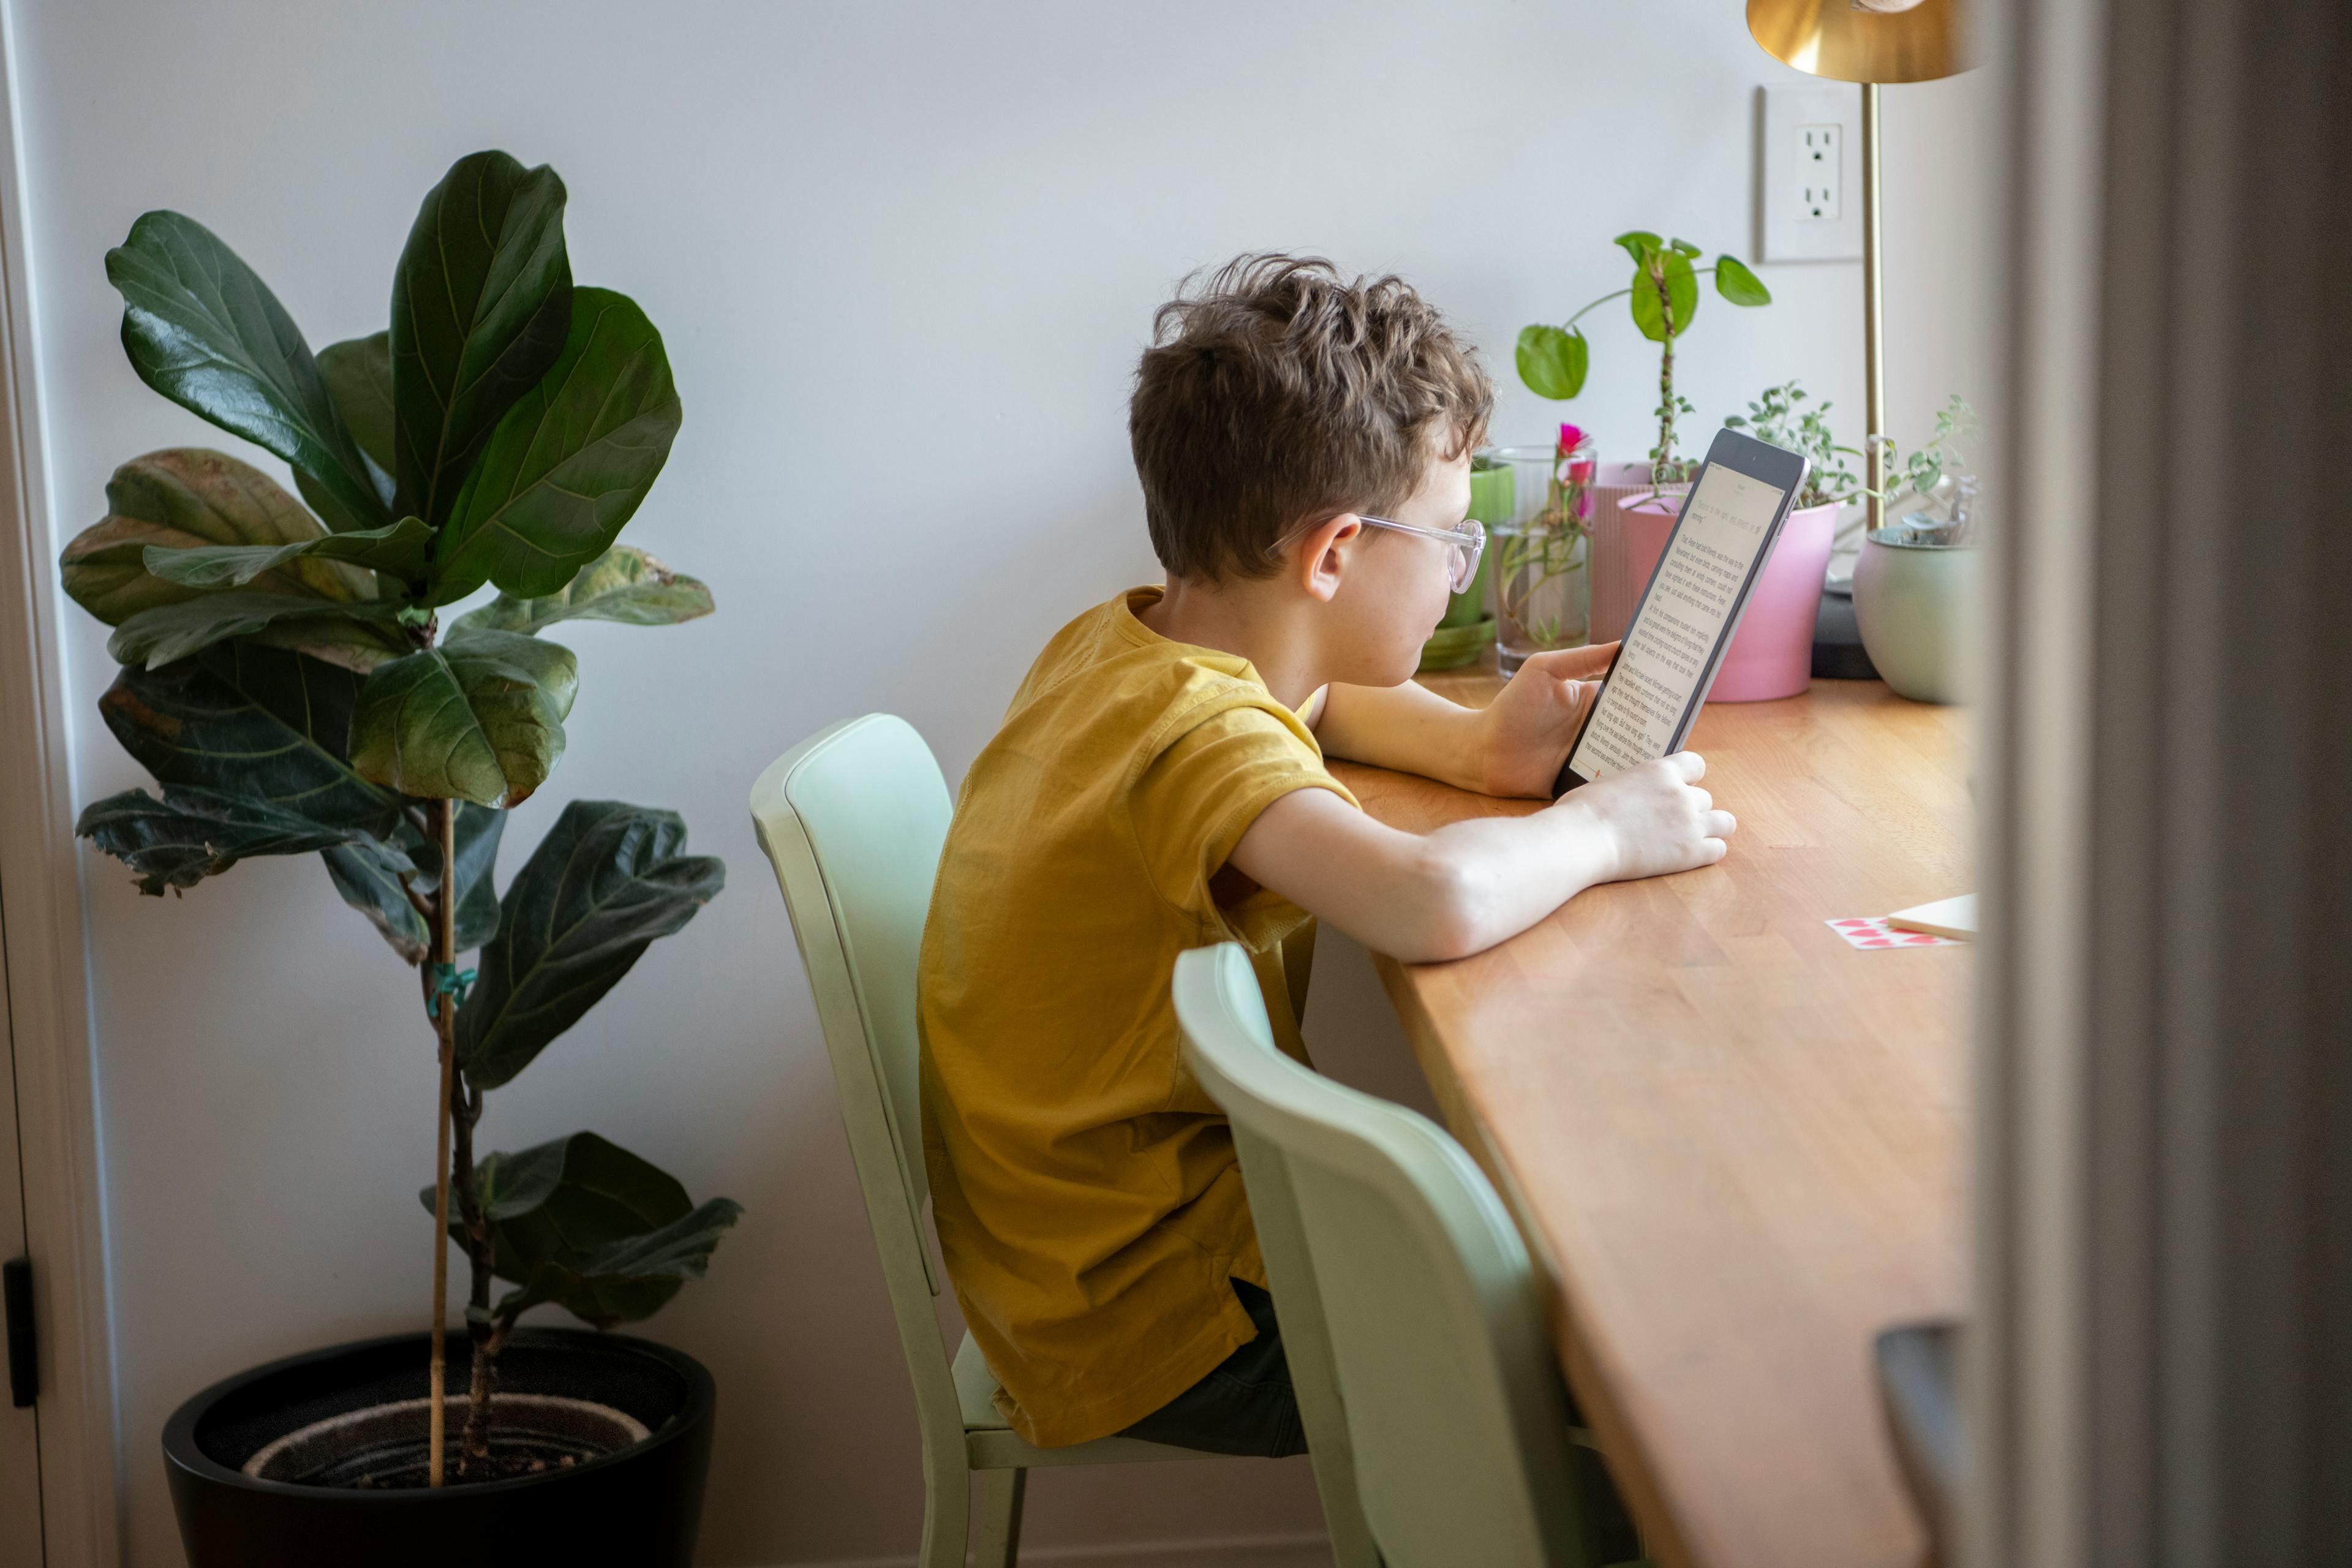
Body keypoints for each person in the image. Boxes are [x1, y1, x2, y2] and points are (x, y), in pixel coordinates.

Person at [918, 254, 1734, 1456]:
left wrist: (1474, 745)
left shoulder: (1123, 649)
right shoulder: (1196, 743)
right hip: (1168, 1313)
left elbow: (1316, 710)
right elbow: (1431, 897)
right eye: (1453, 544)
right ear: (1338, 552)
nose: (1463, 572)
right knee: (1648, 1341)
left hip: (1063, 1256)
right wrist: (1608, 827)